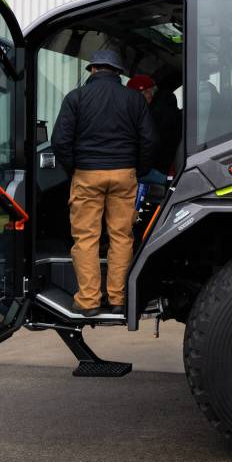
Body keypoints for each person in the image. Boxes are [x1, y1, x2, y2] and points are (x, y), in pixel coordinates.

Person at [51, 50, 157, 317]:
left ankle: (88, 302)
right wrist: (138, 169)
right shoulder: (134, 99)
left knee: (86, 238)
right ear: (118, 73)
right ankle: (118, 298)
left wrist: (74, 169)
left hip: (87, 173)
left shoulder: (76, 98)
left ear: (93, 70)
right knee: (122, 237)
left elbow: (60, 141)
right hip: (124, 173)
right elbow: (149, 139)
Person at [127, 74, 182, 184]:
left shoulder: (156, 114)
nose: (130, 101)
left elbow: (149, 146)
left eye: (133, 96)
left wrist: (139, 170)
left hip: (157, 171)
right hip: (162, 167)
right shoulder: (164, 107)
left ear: (147, 93)